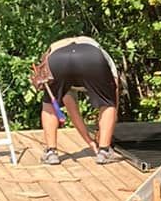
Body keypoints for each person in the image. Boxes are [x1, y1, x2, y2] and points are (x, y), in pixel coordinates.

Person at [30, 35, 120, 165]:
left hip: (57, 59)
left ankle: (51, 153)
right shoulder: (103, 56)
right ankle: (104, 151)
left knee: (49, 104)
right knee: (108, 102)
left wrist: (89, 141)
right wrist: (99, 136)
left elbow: (73, 113)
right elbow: (113, 102)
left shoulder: (57, 48)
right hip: (91, 57)